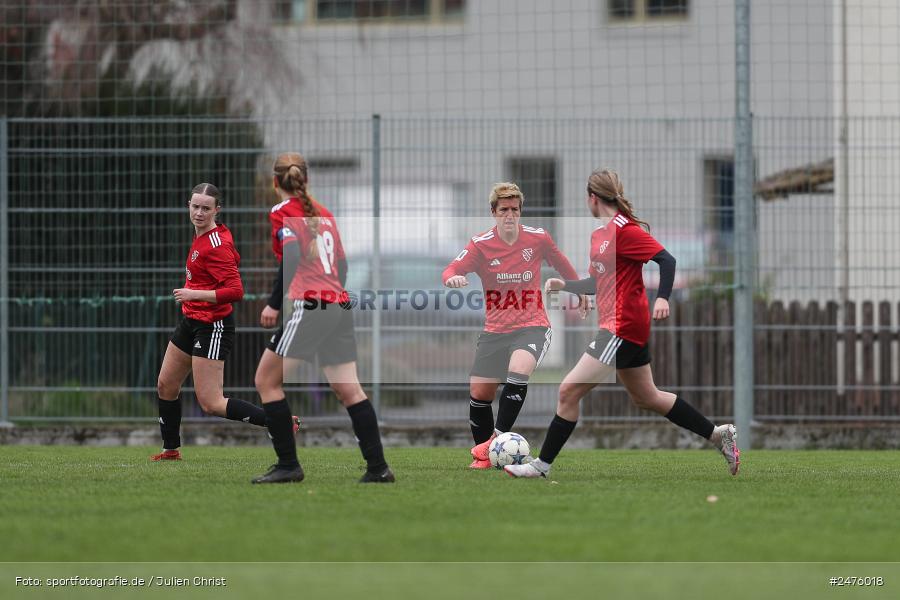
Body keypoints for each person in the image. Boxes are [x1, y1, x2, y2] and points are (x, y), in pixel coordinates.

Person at [504, 169, 740, 478]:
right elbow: (596, 282)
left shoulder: (625, 231)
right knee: (647, 397)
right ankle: (717, 435)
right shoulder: (599, 237)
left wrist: (662, 298)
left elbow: (667, 260)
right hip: (621, 327)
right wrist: (566, 286)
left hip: (622, 327)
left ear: (592, 198)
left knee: (567, 391)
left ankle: (541, 465)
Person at [251, 152, 394, 484]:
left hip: (312, 306)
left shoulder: (282, 211)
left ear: (275, 182)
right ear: (306, 179)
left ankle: (288, 465)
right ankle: (378, 468)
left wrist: (274, 304)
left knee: (266, 381)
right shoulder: (324, 214)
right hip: (338, 306)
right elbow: (341, 266)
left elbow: (291, 255)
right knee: (350, 390)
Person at [442, 182, 584, 469]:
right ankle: (485, 458)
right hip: (495, 330)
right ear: (493, 212)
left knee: (518, 371)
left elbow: (562, 264)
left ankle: (493, 442)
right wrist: (453, 278)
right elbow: (451, 269)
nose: (510, 215)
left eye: (515, 210)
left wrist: (579, 290)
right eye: (504, 210)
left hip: (532, 325)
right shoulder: (480, 244)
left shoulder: (538, 238)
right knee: (480, 394)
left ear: (520, 211)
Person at [153, 183, 297, 461]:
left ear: (217, 210)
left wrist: (194, 293)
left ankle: (279, 422)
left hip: (213, 325)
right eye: (195, 206)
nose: (199, 213)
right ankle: (170, 450)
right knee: (166, 385)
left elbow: (235, 291)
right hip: (191, 320)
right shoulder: (201, 236)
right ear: (188, 206)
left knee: (212, 403)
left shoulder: (216, 245)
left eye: (206, 208)